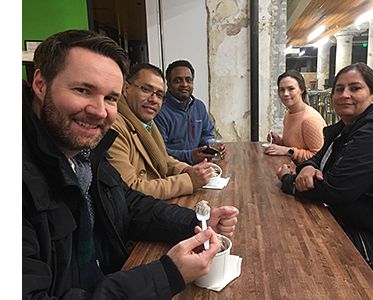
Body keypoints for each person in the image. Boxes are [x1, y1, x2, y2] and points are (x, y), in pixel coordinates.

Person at [22, 29, 239, 299]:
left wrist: (196, 221)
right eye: (82, 90)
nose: (99, 110)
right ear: (40, 85)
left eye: (110, 98)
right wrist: (168, 274)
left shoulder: (82, 151)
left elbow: (126, 201)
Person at [275, 63, 373, 289]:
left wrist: (288, 179)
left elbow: (335, 190)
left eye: (354, 88)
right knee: (291, 244)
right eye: (339, 89)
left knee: (304, 272)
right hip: (368, 227)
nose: (344, 95)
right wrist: (307, 168)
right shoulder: (347, 128)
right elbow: (319, 156)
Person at [108, 63, 214, 200]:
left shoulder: (144, 121)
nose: (153, 100)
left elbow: (162, 157)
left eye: (159, 94)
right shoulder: (113, 128)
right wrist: (189, 180)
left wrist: (186, 169)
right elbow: (130, 190)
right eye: (146, 89)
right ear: (126, 89)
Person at [154, 60, 227, 164]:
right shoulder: (159, 111)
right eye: (178, 81)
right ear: (168, 84)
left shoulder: (199, 107)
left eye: (188, 80)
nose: (184, 84)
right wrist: (190, 156)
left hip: (199, 164)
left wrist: (213, 147)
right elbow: (159, 151)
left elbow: (206, 135)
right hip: (172, 170)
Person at [264, 70, 327, 164]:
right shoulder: (289, 114)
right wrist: (280, 141)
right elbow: (295, 145)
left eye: (291, 89)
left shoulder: (310, 120)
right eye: (282, 90)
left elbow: (320, 157)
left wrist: (288, 151)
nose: (285, 93)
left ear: (302, 90)